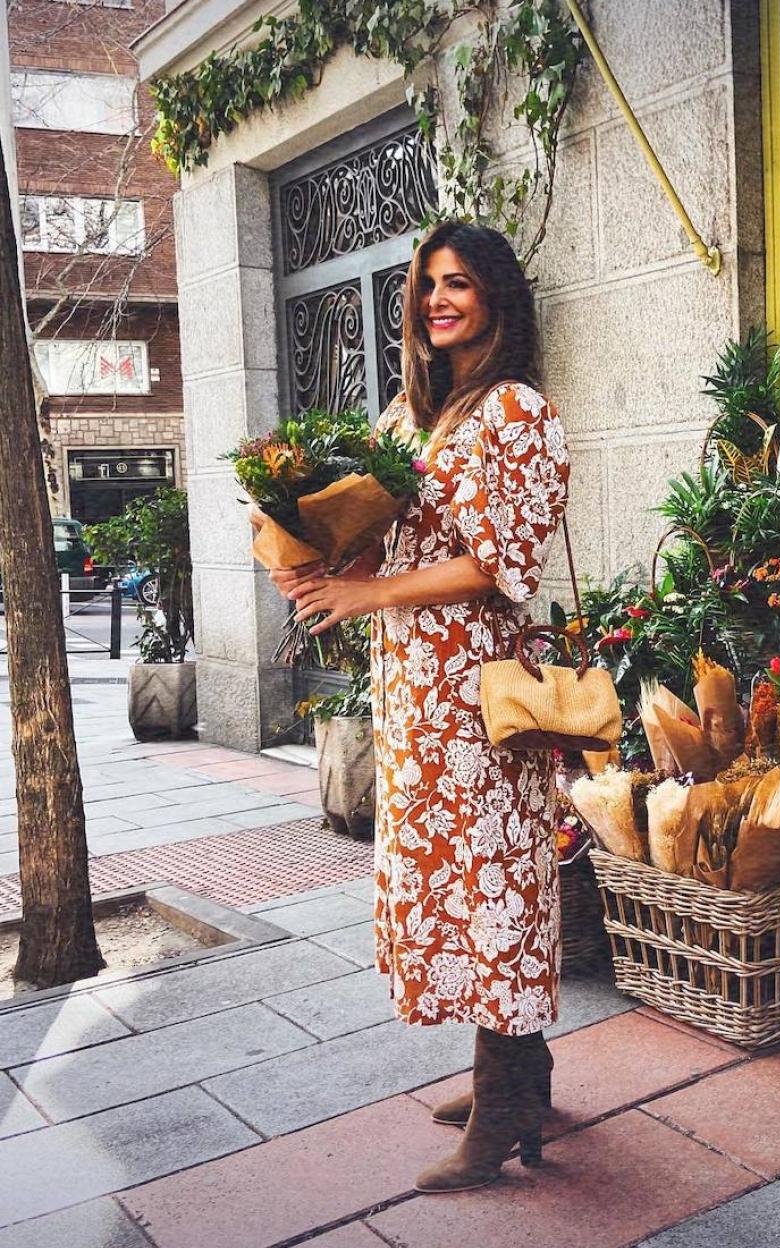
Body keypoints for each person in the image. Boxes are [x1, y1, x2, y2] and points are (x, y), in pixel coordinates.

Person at [268, 220, 571, 1193]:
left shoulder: (517, 413)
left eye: (461, 284)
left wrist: (364, 595)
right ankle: (521, 1074)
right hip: (417, 698)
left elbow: (497, 565)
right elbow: (380, 540)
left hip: (481, 695)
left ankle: (500, 1106)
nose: (439, 300)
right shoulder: (413, 414)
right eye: (429, 285)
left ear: (496, 299)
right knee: (450, 882)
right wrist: (318, 567)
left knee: (494, 886)